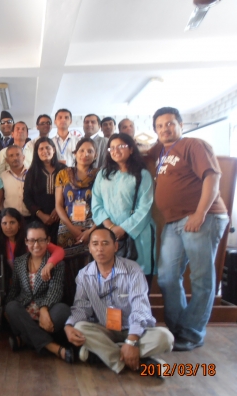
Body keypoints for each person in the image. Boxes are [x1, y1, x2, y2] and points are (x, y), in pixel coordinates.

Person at [150, 106, 228, 351]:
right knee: (166, 277)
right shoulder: (162, 151)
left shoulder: (193, 145)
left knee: (201, 278)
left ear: (181, 125)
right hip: (174, 223)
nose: (165, 128)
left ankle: (192, 333)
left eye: (170, 123)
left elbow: (212, 178)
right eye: (160, 126)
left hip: (201, 218)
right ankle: (177, 329)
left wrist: (200, 213)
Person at [65, 227, 174, 376]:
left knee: (165, 338)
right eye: (95, 244)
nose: (100, 249)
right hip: (105, 330)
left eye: (105, 243)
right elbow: (81, 308)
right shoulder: (84, 275)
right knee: (80, 327)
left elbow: (140, 307)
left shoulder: (133, 270)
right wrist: (69, 325)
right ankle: (142, 364)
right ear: (89, 248)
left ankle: (103, 354)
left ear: (115, 246)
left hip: (134, 330)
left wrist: (132, 341)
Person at [92, 133, 156, 289]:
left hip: (137, 236)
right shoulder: (103, 174)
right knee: (111, 283)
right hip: (109, 235)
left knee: (138, 282)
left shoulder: (142, 175)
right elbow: (96, 203)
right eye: (112, 147)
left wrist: (123, 229)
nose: (115, 150)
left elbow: (145, 207)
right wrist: (110, 227)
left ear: (131, 149)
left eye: (120, 146)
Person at [5, 222, 72, 362]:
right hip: (24, 314)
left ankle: (25, 339)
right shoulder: (19, 262)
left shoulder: (56, 263)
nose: (36, 245)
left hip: (48, 313)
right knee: (11, 306)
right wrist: (6, 309)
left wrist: (44, 309)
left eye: (41, 240)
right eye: (32, 240)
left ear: (48, 240)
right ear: (26, 241)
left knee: (63, 310)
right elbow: (14, 289)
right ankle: (53, 347)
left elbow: (56, 290)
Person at [55, 137, 99, 278]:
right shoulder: (63, 174)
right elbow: (58, 205)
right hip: (67, 228)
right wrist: (72, 228)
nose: (85, 154)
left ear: (95, 155)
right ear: (75, 153)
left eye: (90, 151)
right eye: (81, 150)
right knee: (67, 273)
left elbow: (105, 206)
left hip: (92, 229)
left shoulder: (100, 175)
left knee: (91, 271)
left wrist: (91, 231)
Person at [0, 208, 65, 292]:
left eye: (12, 222)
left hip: (31, 286)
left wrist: (49, 264)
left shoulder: (30, 240)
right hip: (10, 286)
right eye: (4, 223)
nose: (8, 227)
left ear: (19, 224)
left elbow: (59, 251)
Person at [23, 137, 66, 244]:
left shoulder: (64, 169)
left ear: (54, 150)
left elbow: (70, 193)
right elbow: (27, 198)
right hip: (39, 220)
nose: (44, 151)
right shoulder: (32, 172)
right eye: (40, 149)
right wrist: (40, 214)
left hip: (62, 219)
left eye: (48, 148)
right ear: (36, 152)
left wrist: (59, 209)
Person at [0, 145, 31, 221]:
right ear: (7, 160)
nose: (15, 158)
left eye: (18, 154)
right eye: (11, 156)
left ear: (23, 157)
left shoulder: (32, 174)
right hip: (10, 219)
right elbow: (0, 199)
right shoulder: (3, 177)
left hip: (30, 217)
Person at [0, 110, 15, 175]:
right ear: (0, 125)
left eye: (9, 121)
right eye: (3, 122)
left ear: (14, 124)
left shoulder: (19, 142)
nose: (6, 124)